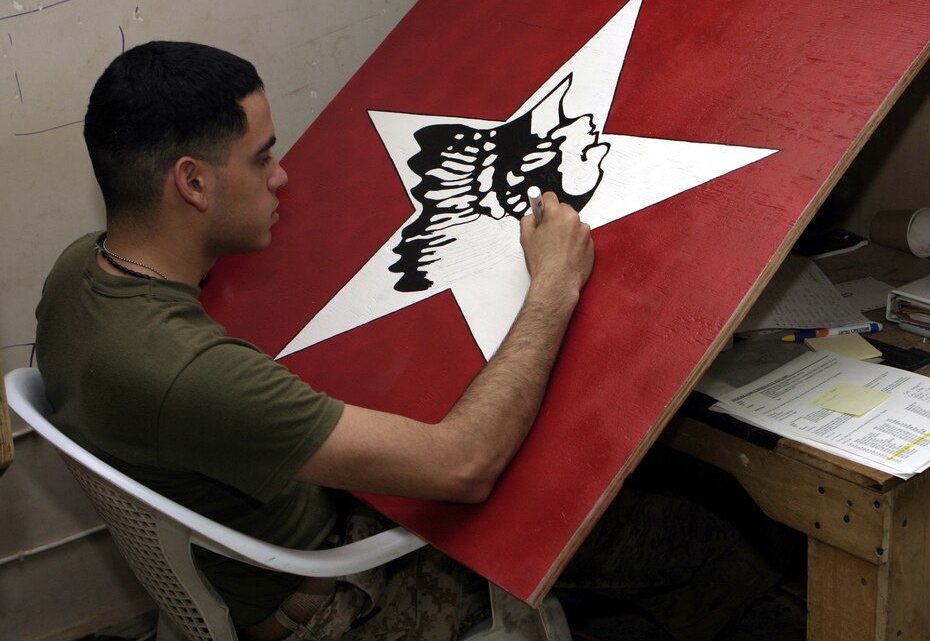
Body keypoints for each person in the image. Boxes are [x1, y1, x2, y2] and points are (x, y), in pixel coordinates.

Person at [35, 42, 782, 641]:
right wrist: (551, 286)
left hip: (261, 545)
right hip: (343, 601)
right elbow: (463, 468)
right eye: (261, 157)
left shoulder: (80, 271)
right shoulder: (193, 373)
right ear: (192, 184)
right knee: (696, 539)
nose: (283, 176)